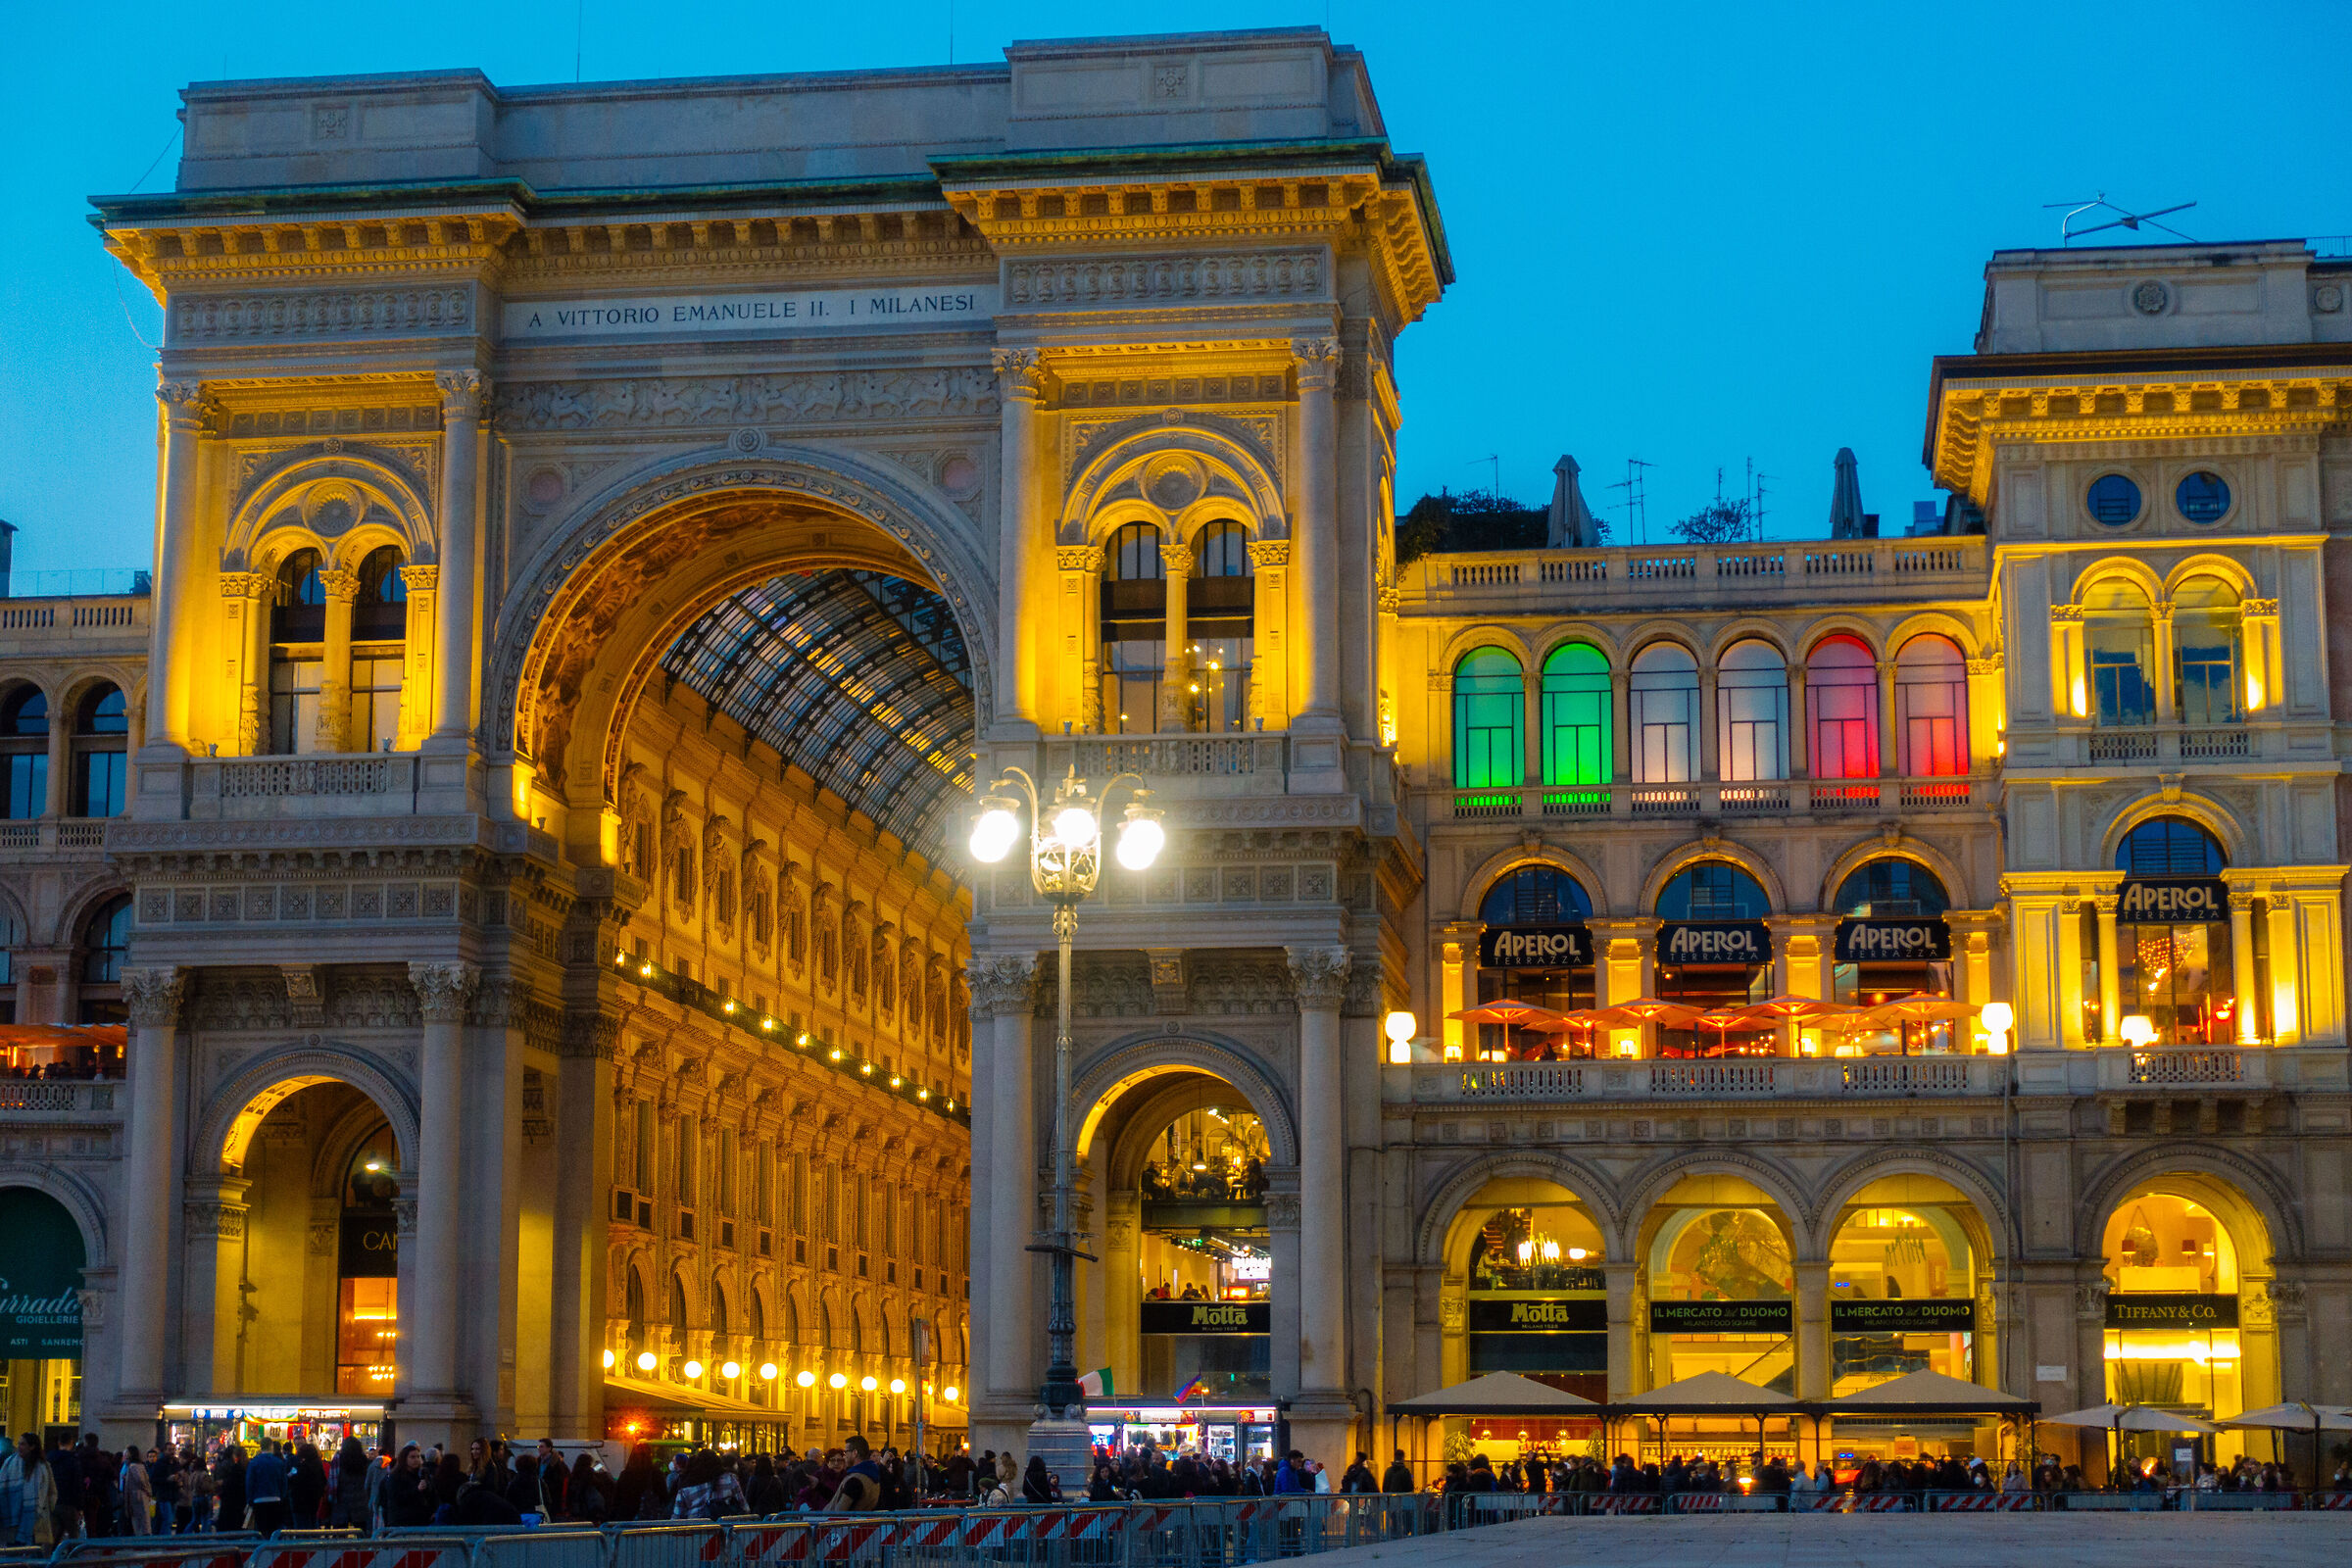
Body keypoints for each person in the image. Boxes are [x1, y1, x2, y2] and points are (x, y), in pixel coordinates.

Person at [0, 1435, 56, 1547]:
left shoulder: (43, 1466)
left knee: (35, 1553)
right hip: (13, 1519)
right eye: (19, 1443)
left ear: (32, 1447)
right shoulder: (9, 1464)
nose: (19, 1447)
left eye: (23, 1444)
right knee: (14, 1555)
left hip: (36, 1519)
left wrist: (48, 1509)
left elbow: (51, 1491)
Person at [119, 1447, 152, 1535]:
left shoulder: (134, 1466)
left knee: (140, 1518)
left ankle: (142, 1535)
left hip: (137, 1495)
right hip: (135, 1494)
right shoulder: (132, 1465)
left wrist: (147, 1491)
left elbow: (140, 1480)